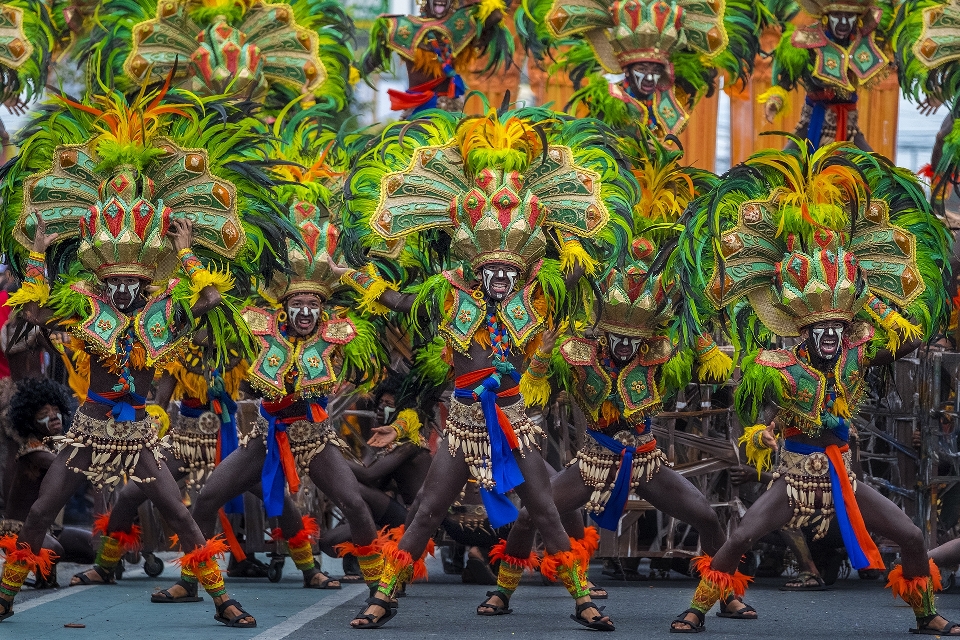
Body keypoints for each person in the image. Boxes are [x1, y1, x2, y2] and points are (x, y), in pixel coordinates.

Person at [335, 106, 639, 630]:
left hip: (514, 421)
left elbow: (583, 279)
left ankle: (582, 598)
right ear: (478, 269)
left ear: (519, 269)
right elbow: (406, 304)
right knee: (428, 509)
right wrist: (356, 280)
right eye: (492, 270)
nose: (500, 277)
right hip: (464, 419)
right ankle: (384, 596)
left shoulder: (537, 297)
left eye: (508, 270)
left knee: (543, 510)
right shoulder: (451, 295)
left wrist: (586, 248)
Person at [0, 85, 291, 628]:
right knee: (40, 510)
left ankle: (222, 598)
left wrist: (183, 254)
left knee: (180, 511)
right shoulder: (85, 301)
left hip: (134, 430)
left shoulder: (161, 311)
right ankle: (6, 595)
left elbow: (207, 300)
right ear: (103, 277)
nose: (127, 291)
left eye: (137, 282)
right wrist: (38, 256)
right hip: (88, 426)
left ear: (148, 278)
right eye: (118, 282)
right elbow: (36, 317)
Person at [669, 141, 953, 633]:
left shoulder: (859, 353)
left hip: (844, 478)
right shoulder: (774, 364)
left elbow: (907, 339)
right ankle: (697, 608)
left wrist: (922, 308)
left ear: (846, 330)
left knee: (909, 536)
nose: (828, 338)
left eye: (836, 331)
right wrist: (761, 435)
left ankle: (926, 614)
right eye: (820, 332)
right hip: (795, 478)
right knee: (739, 539)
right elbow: (756, 412)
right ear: (802, 331)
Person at [478, 245, 753, 618]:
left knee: (704, 515)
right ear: (604, 330)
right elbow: (536, 387)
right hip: (595, 460)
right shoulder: (577, 354)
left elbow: (706, 364)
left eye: (633, 338)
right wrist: (542, 355)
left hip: (645, 460)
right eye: (618, 337)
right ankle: (502, 592)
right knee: (530, 516)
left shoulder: (661, 356)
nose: (625, 345)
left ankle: (726, 594)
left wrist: (699, 330)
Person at [154, 211, 388, 602]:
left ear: (323, 308)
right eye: (298, 303)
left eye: (314, 303)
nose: (306, 312)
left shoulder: (340, 335)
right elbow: (214, 305)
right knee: (209, 497)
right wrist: (187, 253)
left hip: (313, 437)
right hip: (265, 435)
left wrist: (350, 272)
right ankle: (191, 580)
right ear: (283, 307)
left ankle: (380, 590)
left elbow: (377, 313)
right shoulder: (257, 330)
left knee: (355, 505)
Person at [518, 0, 763, 138]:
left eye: (655, 69)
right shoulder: (607, 99)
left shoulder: (668, 100)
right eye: (643, 67)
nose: (649, 76)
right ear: (627, 68)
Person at [760, 0, 894, 151]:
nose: (843, 22)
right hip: (811, 125)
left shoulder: (865, 42)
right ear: (826, 17)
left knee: (881, 173)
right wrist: (774, 102)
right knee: (780, 168)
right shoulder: (807, 42)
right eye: (837, 15)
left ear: (857, 19)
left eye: (849, 16)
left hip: (850, 128)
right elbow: (784, 82)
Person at [1, 378, 88, 589]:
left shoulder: (53, 446)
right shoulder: (33, 452)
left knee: (90, 546)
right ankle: (16, 566)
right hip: (17, 530)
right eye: (43, 414)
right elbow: (67, 467)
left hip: (48, 528)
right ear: (30, 422)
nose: (52, 416)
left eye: (55, 409)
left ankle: (44, 570)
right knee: (54, 551)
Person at [360, 0, 512, 115]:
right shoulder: (399, 27)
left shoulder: (461, 23)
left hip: (451, 111)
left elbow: (497, 14)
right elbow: (371, 61)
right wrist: (351, 74)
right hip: (417, 111)